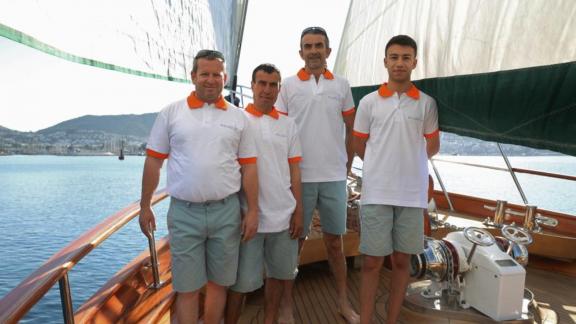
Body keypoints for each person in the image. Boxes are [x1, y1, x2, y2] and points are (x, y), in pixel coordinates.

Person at [138, 49, 259, 324]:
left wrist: (253, 211)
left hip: (226, 212)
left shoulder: (239, 117)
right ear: (193, 76)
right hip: (184, 213)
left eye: (217, 74)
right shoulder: (171, 113)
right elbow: (154, 163)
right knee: (187, 287)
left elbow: (250, 167)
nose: (211, 79)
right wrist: (144, 206)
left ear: (224, 78)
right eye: (204, 74)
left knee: (219, 284)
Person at [352, 35, 440, 324]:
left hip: (411, 195)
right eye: (394, 57)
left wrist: (410, 166)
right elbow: (359, 143)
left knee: (403, 261)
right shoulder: (368, 102)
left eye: (405, 57)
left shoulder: (426, 104)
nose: (399, 62)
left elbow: (433, 145)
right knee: (372, 262)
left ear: (414, 62)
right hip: (377, 192)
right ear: (385, 61)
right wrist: (382, 166)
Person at [275, 26, 359, 324]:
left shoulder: (342, 85)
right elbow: (279, 131)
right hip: (299, 177)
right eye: (308, 46)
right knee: (293, 243)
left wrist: (347, 165)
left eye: (319, 46)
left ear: (328, 51)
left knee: (335, 244)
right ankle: (286, 306)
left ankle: (343, 303)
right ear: (301, 52)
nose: (313, 51)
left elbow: (351, 127)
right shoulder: (287, 86)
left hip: (334, 177)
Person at [225, 64, 303, 324]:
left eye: (273, 85)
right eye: (262, 83)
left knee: (279, 277)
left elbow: (295, 172)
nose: (267, 90)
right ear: (253, 84)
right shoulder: (237, 120)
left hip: (283, 216)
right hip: (249, 218)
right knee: (241, 283)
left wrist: (299, 212)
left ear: (279, 88)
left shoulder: (289, 125)